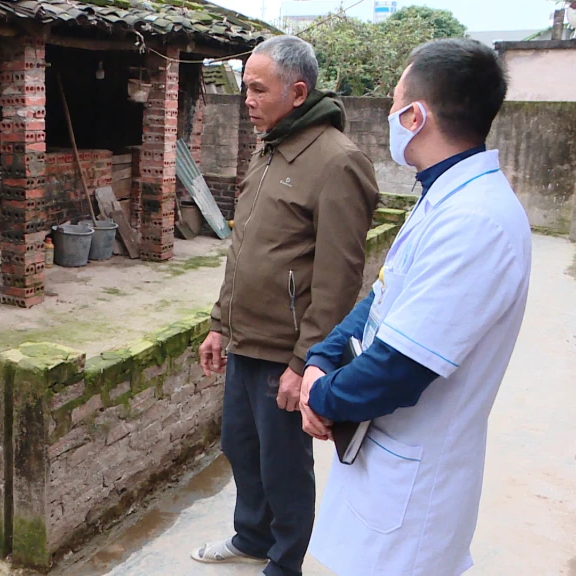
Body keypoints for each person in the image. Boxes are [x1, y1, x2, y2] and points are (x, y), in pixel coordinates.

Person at [298, 38, 532, 576]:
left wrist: (322, 396)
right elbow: (384, 293)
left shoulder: (476, 221)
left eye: (393, 103)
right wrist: (321, 355)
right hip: (383, 465)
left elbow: (401, 368)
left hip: (415, 488)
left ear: (416, 115)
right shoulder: (443, 196)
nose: (388, 116)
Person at [191, 35, 379, 576]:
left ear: (297, 92)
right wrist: (219, 324)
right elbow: (244, 248)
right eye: (244, 86)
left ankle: (286, 559)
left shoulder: (338, 162)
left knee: (283, 466)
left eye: (257, 88)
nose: (245, 99)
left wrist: (308, 361)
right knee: (240, 447)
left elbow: (340, 279)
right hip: (245, 339)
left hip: (286, 351)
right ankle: (251, 536)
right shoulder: (269, 148)